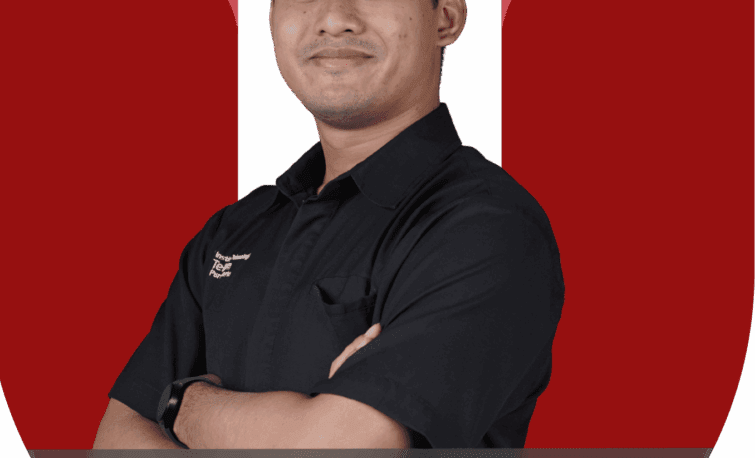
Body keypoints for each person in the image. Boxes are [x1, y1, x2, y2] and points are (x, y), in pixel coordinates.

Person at [93, 0, 564, 449]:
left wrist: (183, 406)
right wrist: (301, 422)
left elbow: (340, 447)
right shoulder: (232, 231)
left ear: (446, 18)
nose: (335, 18)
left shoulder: (487, 228)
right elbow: (115, 438)